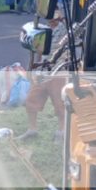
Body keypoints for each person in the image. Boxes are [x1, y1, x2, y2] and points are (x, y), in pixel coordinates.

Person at [16, 12, 67, 141]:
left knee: (60, 104)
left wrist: (63, 20)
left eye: (54, 16)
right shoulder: (44, 30)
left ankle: (61, 132)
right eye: (49, 16)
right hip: (43, 71)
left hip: (58, 71)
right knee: (31, 100)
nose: (51, 19)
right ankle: (32, 130)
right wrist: (33, 69)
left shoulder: (65, 29)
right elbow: (38, 51)